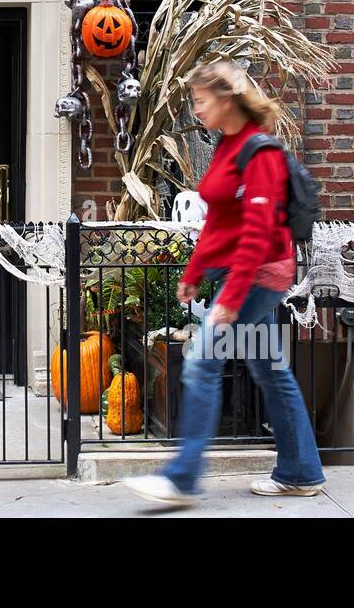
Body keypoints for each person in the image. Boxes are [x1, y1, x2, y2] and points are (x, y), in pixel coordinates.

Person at [123, 60, 324, 509]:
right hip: (240, 276)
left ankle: (181, 479)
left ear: (226, 98)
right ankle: (301, 472)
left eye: (200, 100)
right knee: (270, 372)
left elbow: (256, 231)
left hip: (260, 275)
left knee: (200, 363)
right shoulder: (227, 147)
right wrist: (194, 273)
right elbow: (217, 220)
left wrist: (230, 301)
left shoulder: (261, 152)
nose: (195, 110)